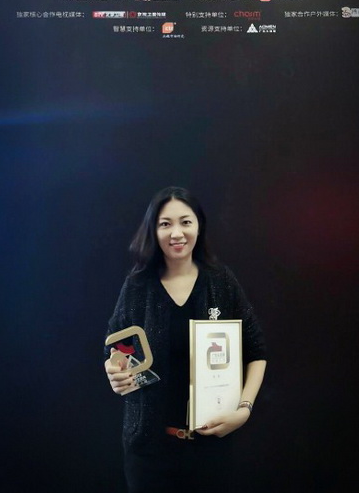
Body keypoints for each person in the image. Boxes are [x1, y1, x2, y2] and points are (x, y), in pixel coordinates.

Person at [104, 186, 267, 493]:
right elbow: (115, 346)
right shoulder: (138, 286)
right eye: (165, 224)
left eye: (186, 222)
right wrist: (114, 371)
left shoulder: (220, 281)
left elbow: (256, 350)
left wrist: (244, 410)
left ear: (199, 226)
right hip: (148, 453)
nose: (176, 233)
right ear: (153, 230)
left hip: (210, 448)